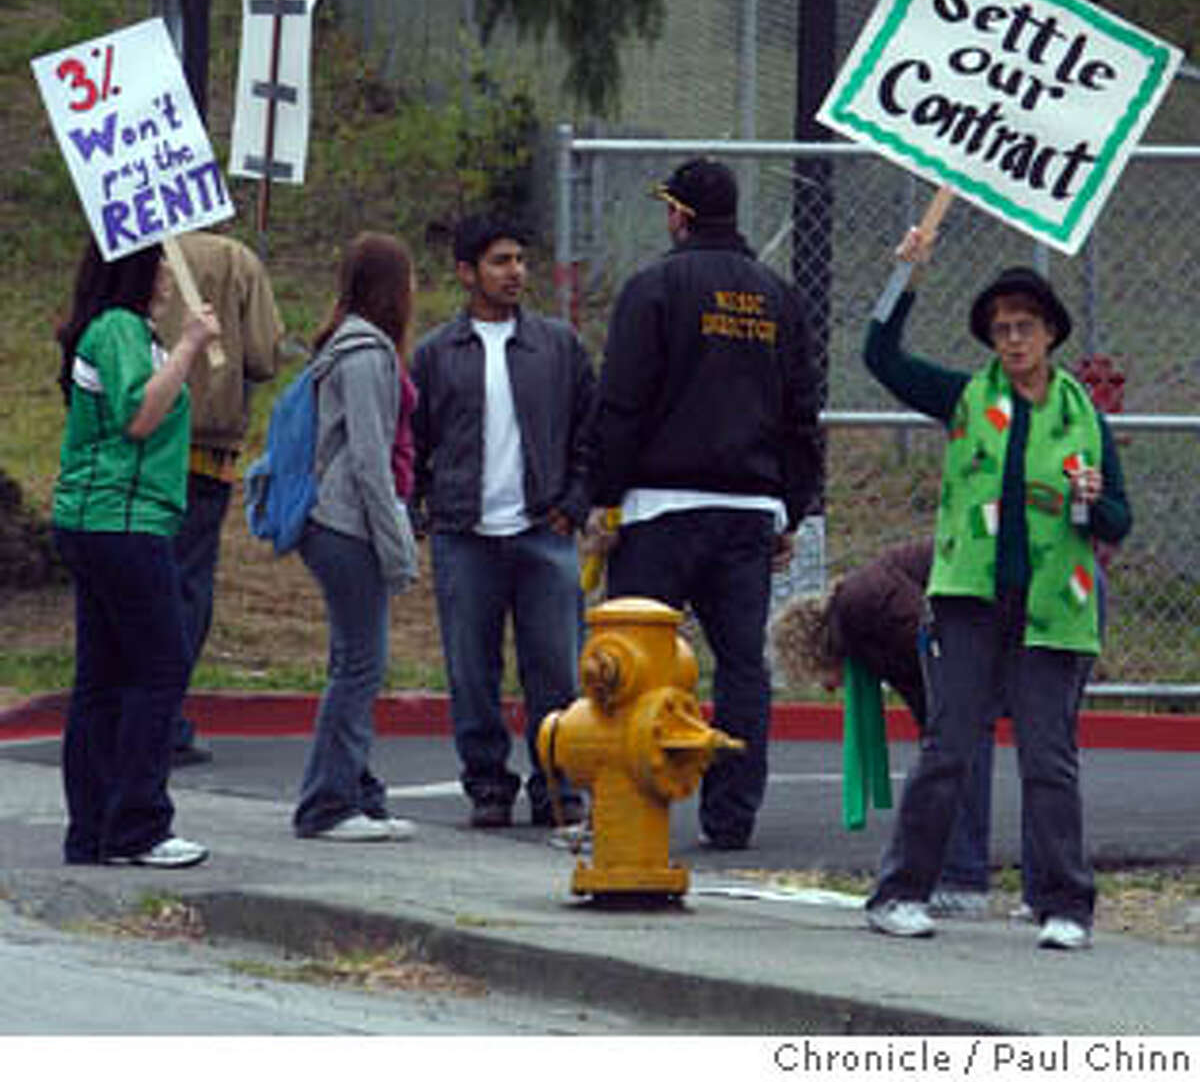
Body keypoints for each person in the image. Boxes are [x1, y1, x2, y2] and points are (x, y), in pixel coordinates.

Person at [860, 226, 1131, 951]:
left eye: (1025, 326)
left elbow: (1118, 519)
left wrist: (1094, 500)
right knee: (948, 746)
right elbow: (880, 357)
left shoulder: (1083, 416)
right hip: (969, 600)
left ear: (1050, 334)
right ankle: (899, 892)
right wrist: (906, 277)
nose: (1012, 339)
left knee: (1048, 757)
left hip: (1055, 606)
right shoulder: (964, 398)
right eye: (1001, 328)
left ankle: (1064, 905)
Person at [584, 158, 823, 851]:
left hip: (657, 509)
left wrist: (603, 496)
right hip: (748, 510)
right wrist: (791, 507)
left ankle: (627, 806)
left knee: (635, 662)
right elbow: (801, 413)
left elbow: (621, 403)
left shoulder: (653, 288)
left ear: (680, 216)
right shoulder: (779, 297)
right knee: (742, 666)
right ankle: (732, 815)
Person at [411, 212, 596, 830]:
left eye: (519, 259)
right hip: (464, 536)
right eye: (500, 261)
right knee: (471, 671)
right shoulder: (436, 354)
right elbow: (414, 439)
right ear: (467, 272)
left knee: (556, 670)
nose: (515, 272)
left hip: (544, 532)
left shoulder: (558, 346)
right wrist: (424, 508)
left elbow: (591, 431)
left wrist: (574, 504)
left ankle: (558, 785)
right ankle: (487, 783)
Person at [51, 236, 220, 869]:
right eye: (162, 263)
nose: (171, 277)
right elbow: (139, 415)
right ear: (138, 268)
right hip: (121, 519)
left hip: (98, 519)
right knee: (161, 666)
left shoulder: (116, 330)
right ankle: (138, 826)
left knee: (102, 678)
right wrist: (190, 344)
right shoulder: (120, 328)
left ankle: (94, 829)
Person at [773, 540, 1006, 915]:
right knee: (953, 750)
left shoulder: (860, 606)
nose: (829, 688)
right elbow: (923, 692)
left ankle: (962, 879)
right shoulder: (866, 625)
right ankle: (963, 875)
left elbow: (927, 637)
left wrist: (955, 706)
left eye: (819, 675)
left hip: (988, 607)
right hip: (985, 613)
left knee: (958, 748)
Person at [292, 232, 420, 842]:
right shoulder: (367, 354)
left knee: (352, 660)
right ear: (393, 288)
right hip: (348, 522)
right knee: (361, 665)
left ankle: (359, 792)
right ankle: (329, 802)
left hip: (333, 520)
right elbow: (370, 460)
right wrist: (398, 550)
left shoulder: (343, 345)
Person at [155, 229, 284, 767]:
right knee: (188, 584)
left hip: (138, 442)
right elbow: (263, 356)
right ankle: (164, 717)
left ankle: (130, 709)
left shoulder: (133, 248)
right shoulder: (236, 260)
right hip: (205, 445)